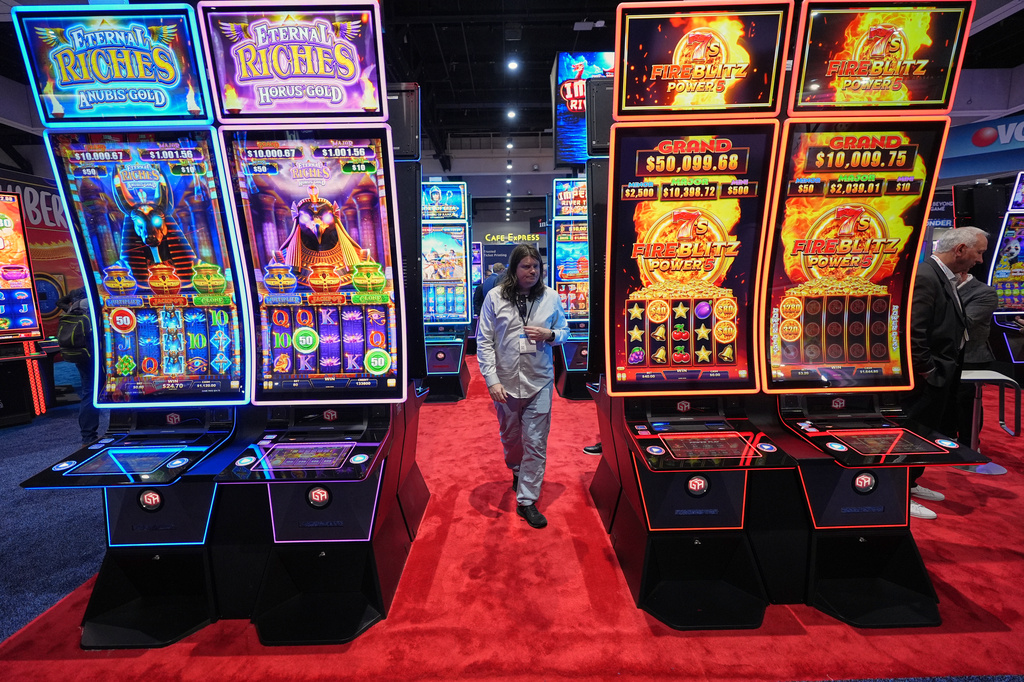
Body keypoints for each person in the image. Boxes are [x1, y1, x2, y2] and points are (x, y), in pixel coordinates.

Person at [477, 245, 568, 528]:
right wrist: (491, 380)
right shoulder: (494, 297)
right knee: (511, 437)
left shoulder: (551, 297)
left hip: (540, 381)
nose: (532, 271)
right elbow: (484, 341)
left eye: (536, 266)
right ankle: (517, 470)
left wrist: (550, 334)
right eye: (526, 266)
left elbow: (565, 332)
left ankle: (527, 500)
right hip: (505, 383)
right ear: (514, 269)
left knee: (536, 442)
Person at [903, 226, 989, 519]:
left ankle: (910, 482)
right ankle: (897, 491)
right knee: (912, 433)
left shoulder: (945, 276)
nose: (980, 260)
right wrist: (927, 369)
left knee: (925, 432)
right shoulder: (927, 276)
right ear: (960, 249)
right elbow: (913, 330)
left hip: (942, 371)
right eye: (979, 252)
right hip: (926, 376)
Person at [953, 272, 1005, 474]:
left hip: (971, 357)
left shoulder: (984, 292)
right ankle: (949, 439)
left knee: (967, 404)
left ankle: (970, 444)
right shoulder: (942, 287)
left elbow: (966, 322)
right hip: (943, 355)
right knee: (946, 401)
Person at [56, 287, 100, 445]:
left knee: (89, 392)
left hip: (81, 353)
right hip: (95, 354)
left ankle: (88, 437)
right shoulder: (93, 302)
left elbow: (59, 301)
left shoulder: (75, 306)